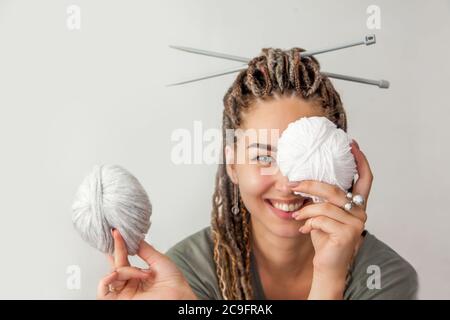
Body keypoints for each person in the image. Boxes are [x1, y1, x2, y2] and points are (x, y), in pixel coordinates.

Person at [97, 48, 418, 300]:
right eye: (264, 155)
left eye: (307, 156)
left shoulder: (384, 277)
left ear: (345, 161)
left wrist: (330, 274)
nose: (288, 184)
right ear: (232, 165)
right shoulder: (185, 273)